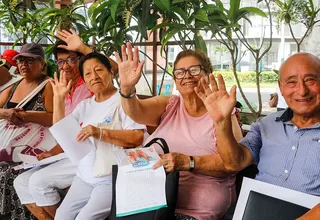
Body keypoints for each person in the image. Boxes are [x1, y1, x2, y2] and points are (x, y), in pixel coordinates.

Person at [116, 42, 243, 220]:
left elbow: (233, 163)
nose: (187, 76)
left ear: (208, 74)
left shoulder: (223, 113)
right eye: (180, 72)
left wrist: (188, 162)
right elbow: (136, 111)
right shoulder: (170, 105)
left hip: (195, 212)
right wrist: (127, 89)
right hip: (152, 204)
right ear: (175, 79)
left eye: (194, 70)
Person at [193, 52, 320, 219]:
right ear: (280, 87)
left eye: (310, 80)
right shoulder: (266, 124)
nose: (302, 91)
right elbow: (234, 163)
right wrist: (221, 122)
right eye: (291, 82)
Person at [53, 51, 145, 220]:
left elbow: (137, 137)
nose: (94, 77)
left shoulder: (124, 100)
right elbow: (62, 131)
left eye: (99, 70)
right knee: (61, 216)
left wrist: (100, 132)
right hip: (83, 177)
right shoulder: (85, 105)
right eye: (88, 73)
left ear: (111, 71)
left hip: (111, 178)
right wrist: (58, 99)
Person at [14, 38, 92, 220]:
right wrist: (52, 152)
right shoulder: (61, 87)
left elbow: (111, 68)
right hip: (67, 152)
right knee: (21, 182)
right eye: (61, 62)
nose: (65, 66)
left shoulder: (90, 82)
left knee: (38, 182)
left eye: (72, 59)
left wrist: (83, 48)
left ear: (81, 61)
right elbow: (61, 127)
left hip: (86, 152)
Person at [0, 43, 53, 220]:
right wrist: (6, 113)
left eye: (30, 61)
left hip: (32, 153)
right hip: (9, 150)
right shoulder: (14, 86)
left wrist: (28, 116)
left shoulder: (48, 86)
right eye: (21, 60)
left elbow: (55, 118)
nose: (24, 64)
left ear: (42, 63)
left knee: (9, 174)